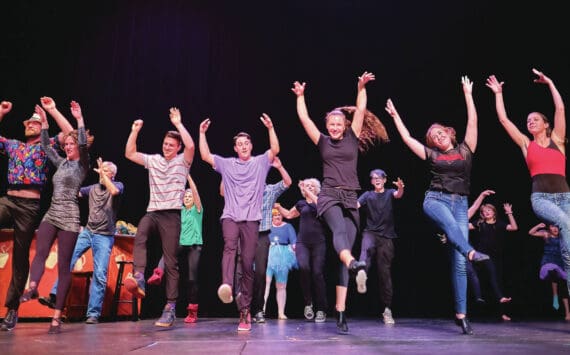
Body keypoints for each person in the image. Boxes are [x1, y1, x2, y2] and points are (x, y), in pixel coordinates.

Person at [385, 75, 490, 335]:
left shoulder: (466, 149)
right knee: (458, 240)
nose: (438, 136)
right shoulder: (431, 155)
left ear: (449, 133)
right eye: (433, 135)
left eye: (440, 132)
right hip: (435, 200)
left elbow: (473, 121)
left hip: (460, 202)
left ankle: (462, 314)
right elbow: (408, 138)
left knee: (458, 261)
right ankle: (472, 251)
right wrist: (396, 116)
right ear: (432, 142)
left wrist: (468, 95)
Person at [291, 71, 388, 334]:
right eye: (331, 123)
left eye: (338, 123)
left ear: (344, 125)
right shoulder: (322, 142)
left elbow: (361, 109)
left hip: (351, 195)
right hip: (330, 194)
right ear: (327, 126)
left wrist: (360, 87)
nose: (334, 127)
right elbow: (304, 119)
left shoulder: (353, 137)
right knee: (339, 232)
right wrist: (301, 97)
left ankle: (341, 311)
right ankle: (353, 264)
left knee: (347, 251)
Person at [486, 69, 570, 298]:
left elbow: (560, 109)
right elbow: (504, 120)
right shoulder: (526, 144)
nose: (530, 122)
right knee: (565, 223)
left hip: (564, 196)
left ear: (545, 124)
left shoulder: (558, 141)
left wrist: (551, 83)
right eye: (528, 120)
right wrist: (498, 93)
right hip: (541, 197)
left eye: (535, 119)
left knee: (568, 235)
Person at [198, 113, 279, 331]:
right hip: (231, 216)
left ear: (251, 145)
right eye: (239, 144)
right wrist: (202, 133)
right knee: (229, 246)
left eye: (246, 143)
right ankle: (226, 283)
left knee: (247, 265)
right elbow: (205, 155)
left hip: (252, 220)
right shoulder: (227, 164)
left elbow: (275, 150)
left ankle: (245, 311)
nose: (243, 146)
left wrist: (271, 128)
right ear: (235, 148)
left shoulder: (261, 163)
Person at [0, 98, 74, 331]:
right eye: (28, 123)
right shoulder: (12, 145)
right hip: (9, 199)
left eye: (35, 122)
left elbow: (72, 134)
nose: (31, 124)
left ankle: (12, 311)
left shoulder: (47, 144)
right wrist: (0, 112)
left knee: (20, 258)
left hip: (29, 206)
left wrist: (50, 113)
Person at [19, 100, 92, 334]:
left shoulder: (83, 165)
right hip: (52, 213)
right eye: (67, 144)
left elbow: (82, 141)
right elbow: (47, 148)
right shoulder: (61, 163)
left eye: (72, 144)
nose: (68, 147)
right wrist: (45, 125)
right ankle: (32, 287)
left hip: (70, 218)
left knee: (63, 267)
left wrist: (79, 119)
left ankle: (57, 317)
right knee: (39, 252)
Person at [123, 107, 194, 328]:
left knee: (171, 262)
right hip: (153, 212)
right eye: (165, 144)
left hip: (172, 215)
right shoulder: (153, 160)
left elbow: (191, 146)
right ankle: (139, 275)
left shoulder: (183, 161)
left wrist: (179, 124)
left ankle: (170, 307)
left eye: (171, 145)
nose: (167, 147)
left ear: (178, 148)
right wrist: (134, 131)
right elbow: (130, 154)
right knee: (141, 232)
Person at [37, 158, 123, 325]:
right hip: (88, 232)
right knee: (67, 261)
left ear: (112, 175)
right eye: (100, 169)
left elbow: (113, 191)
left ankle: (93, 314)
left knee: (100, 274)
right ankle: (55, 296)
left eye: (105, 170)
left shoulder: (118, 185)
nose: (100, 172)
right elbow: (73, 192)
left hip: (104, 236)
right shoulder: (93, 188)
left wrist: (102, 173)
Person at [144, 174, 204, 323]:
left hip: (194, 244)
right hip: (181, 242)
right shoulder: (180, 211)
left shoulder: (198, 210)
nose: (187, 197)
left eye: (189, 196)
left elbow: (195, 192)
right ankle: (158, 273)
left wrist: (188, 178)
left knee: (192, 278)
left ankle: (192, 311)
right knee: (168, 252)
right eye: (185, 196)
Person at [276, 178, 329, 323]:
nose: (310, 188)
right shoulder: (301, 204)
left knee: (317, 273)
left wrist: (307, 191)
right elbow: (288, 215)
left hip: (319, 243)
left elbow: (318, 204)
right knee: (304, 268)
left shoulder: (321, 201)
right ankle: (308, 303)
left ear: (317, 189)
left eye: (312, 186)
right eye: (307, 186)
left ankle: (321, 309)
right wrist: (278, 207)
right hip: (303, 243)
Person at [356, 168, 404, 325]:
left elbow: (398, 195)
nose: (376, 180)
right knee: (366, 249)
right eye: (373, 178)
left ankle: (387, 309)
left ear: (384, 180)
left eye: (379, 177)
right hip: (370, 232)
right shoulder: (367, 195)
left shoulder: (390, 192)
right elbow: (356, 204)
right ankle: (362, 272)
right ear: (371, 181)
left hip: (387, 237)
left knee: (385, 274)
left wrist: (400, 187)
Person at [250, 156, 292, 324]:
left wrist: (280, 167)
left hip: (262, 235)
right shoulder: (245, 189)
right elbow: (224, 193)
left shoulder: (271, 190)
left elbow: (288, 182)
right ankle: (244, 307)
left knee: (260, 273)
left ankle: (258, 310)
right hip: (245, 232)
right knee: (243, 271)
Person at [466, 189, 517, 321]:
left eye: (489, 210)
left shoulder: (499, 224)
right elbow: (463, 226)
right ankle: (468, 309)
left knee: (495, 281)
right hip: (479, 256)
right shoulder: (479, 223)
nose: (486, 213)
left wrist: (509, 213)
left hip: (494, 257)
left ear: (494, 212)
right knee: (473, 279)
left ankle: (501, 312)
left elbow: (514, 228)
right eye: (484, 211)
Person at [529, 223, 570, 321]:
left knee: (564, 285)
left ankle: (567, 312)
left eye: (556, 226)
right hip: (549, 260)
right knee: (553, 272)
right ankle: (555, 295)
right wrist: (538, 226)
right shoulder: (546, 234)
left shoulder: (563, 236)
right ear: (549, 228)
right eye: (552, 226)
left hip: (561, 261)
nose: (554, 228)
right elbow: (531, 232)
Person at [262, 209, 297, 320]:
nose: (277, 217)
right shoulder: (267, 226)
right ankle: (261, 310)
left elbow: (294, 241)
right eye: (275, 215)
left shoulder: (288, 227)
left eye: (279, 215)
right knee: (266, 282)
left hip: (283, 256)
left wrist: (294, 249)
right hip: (268, 255)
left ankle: (281, 312)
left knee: (281, 285)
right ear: (271, 217)